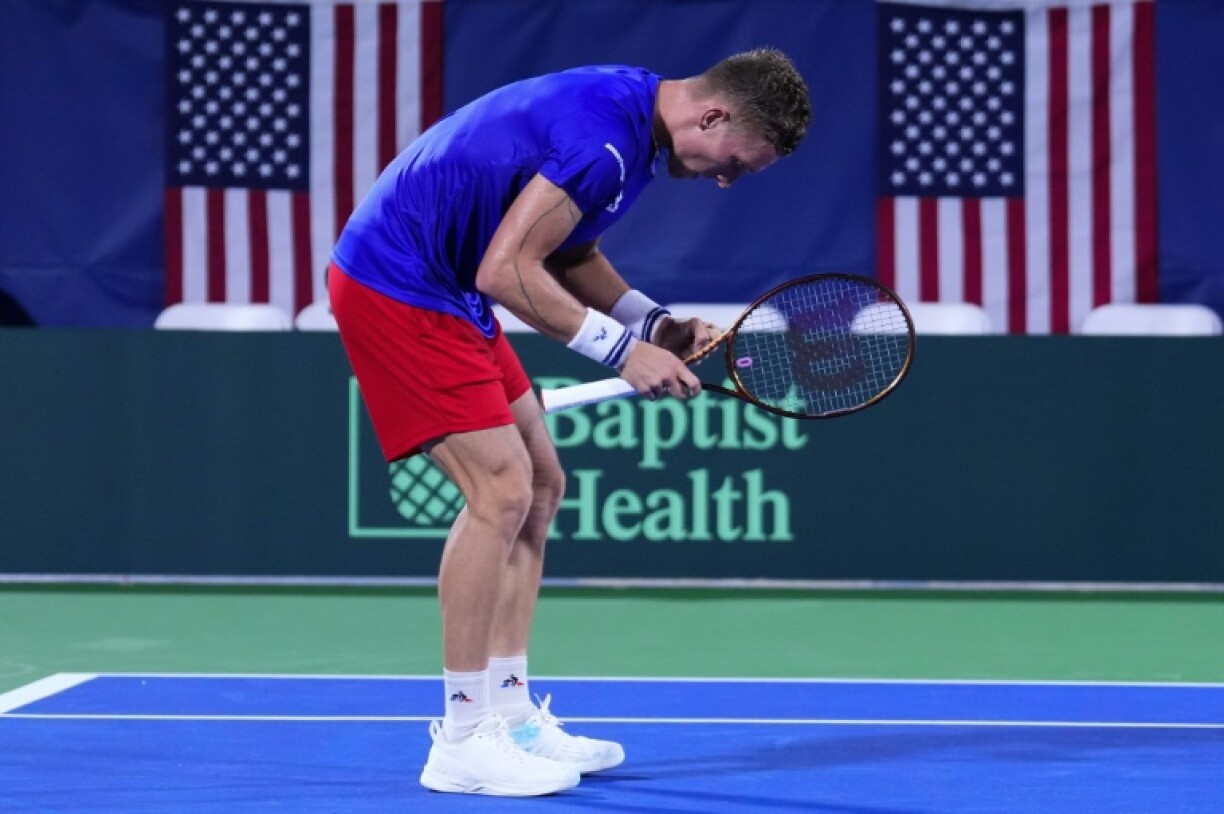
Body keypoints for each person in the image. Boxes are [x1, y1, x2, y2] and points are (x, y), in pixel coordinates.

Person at [328, 47, 811, 797]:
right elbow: (507, 271)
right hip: (399, 283)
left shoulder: (632, 122)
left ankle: (512, 717)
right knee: (500, 492)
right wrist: (623, 354)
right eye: (734, 164)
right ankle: (461, 737)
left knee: (541, 486)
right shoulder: (605, 141)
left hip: (447, 285)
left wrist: (650, 324)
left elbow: (568, 250)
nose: (724, 179)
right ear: (713, 116)